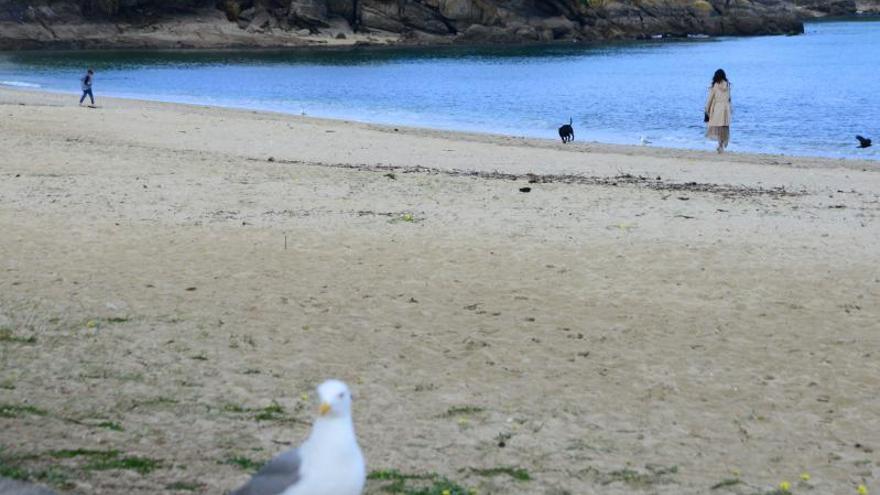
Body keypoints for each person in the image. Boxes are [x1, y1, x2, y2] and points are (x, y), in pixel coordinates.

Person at [704, 69, 731, 153]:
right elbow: (729, 98)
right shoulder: (728, 85)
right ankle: (721, 145)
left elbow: (710, 99)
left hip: (718, 108)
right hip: (726, 108)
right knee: (724, 127)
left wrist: (706, 109)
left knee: (718, 127)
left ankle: (720, 145)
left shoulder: (715, 85)